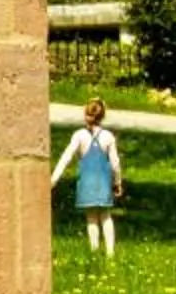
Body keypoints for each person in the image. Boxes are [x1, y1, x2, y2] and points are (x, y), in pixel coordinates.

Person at [51, 97, 124, 256]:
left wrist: (54, 179)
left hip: (86, 182)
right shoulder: (108, 137)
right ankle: (110, 253)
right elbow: (115, 163)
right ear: (102, 116)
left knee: (91, 217)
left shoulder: (79, 136)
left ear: (86, 115)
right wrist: (117, 182)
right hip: (104, 182)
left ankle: (94, 250)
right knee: (105, 216)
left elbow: (66, 157)